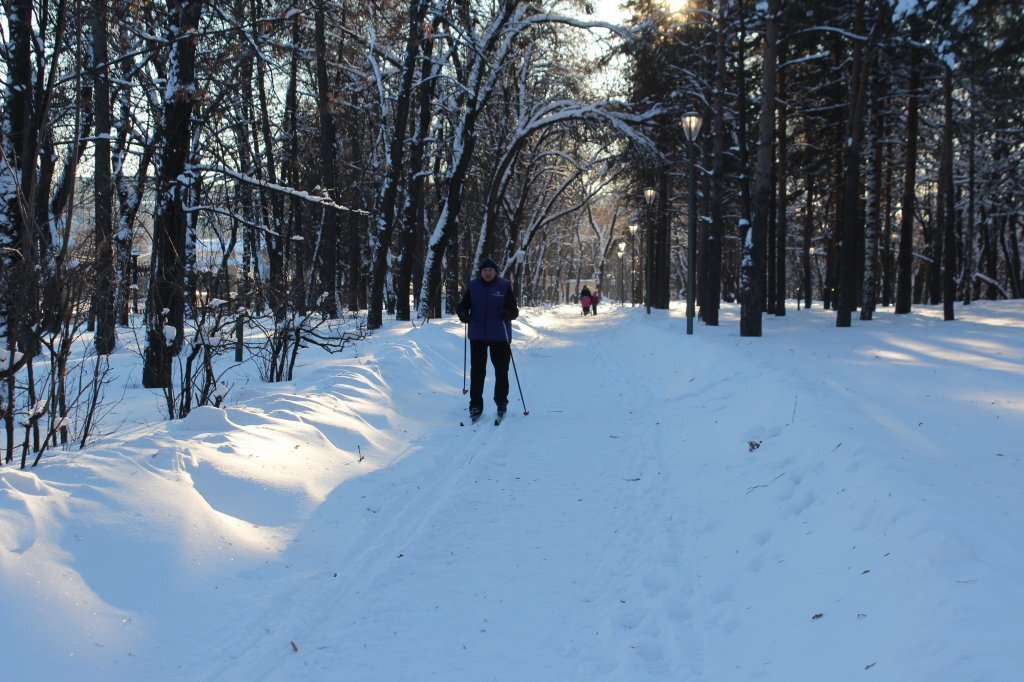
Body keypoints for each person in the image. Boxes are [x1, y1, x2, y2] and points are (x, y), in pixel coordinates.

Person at [456, 257, 520, 422]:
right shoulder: (474, 286)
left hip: (500, 336)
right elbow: (463, 305)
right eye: (485, 270)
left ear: (495, 272)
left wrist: (507, 313)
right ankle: (475, 406)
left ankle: (501, 403)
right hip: (477, 336)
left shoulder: (504, 286)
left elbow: (514, 311)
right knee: (477, 372)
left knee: (501, 372)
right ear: (481, 272)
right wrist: (463, 314)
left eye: (491, 270)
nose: (488, 272)